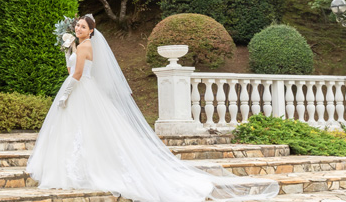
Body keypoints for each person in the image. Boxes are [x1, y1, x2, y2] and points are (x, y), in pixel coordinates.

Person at [26, 15, 280, 202]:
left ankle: (84, 170)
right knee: (83, 131)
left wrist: (64, 96)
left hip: (80, 90)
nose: (78, 28)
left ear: (91, 31)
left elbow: (78, 75)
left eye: (83, 26)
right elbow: (72, 70)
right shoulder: (78, 46)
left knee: (83, 129)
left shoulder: (85, 46)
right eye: (77, 25)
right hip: (83, 90)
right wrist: (66, 51)